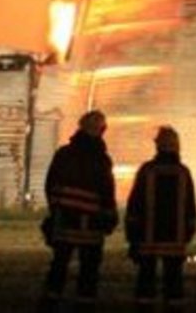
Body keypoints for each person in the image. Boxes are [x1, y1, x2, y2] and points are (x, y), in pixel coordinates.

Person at [40, 109, 118, 312]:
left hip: (64, 223)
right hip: (91, 227)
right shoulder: (101, 160)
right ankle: (85, 305)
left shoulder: (63, 154)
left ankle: (50, 303)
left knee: (59, 266)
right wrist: (110, 218)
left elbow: (50, 186)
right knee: (89, 270)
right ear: (102, 130)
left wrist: (56, 211)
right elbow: (107, 192)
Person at [126, 125, 196, 310]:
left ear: (157, 146)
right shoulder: (183, 172)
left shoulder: (147, 171)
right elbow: (190, 207)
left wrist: (133, 236)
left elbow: (135, 204)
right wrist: (187, 233)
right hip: (175, 239)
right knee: (174, 281)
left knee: (146, 279)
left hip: (147, 238)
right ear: (177, 146)